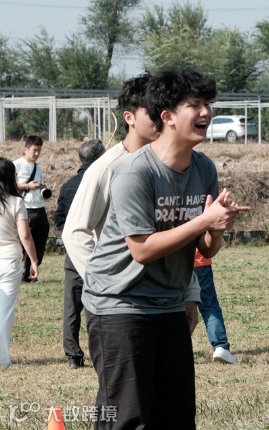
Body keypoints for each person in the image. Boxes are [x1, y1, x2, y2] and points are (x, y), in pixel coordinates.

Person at [81, 69, 249, 429]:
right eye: (195, 105)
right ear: (168, 116)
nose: (205, 112)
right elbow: (142, 250)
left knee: (175, 417)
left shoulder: (203, 168)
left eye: (208, 104)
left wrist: (216, 228)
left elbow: (205, 247)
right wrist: (204, 221)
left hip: (168, 304)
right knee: (128, 418)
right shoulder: (134, 172)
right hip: (119, 304)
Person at [62, 75, 202, 347]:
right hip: (122, 306)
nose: (160, 118)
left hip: (165, 302)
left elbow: (174, 234)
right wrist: (106, 285)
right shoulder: (108, 167)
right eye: (151, 112)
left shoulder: (170, 167)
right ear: (129, 118)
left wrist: (190, 292)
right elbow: (75, 232)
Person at [54, 138, 106, 369]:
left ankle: (73, 355)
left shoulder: (67, 186)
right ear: (100, 157)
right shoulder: (105, 182)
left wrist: (71, 236)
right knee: (101, 302)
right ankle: (101, 351)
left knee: (72, 305)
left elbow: (59, 219)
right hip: (103, 251)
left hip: (74, 251)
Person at [0, 158, 39, 368]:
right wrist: (34, 260)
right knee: (4, 313)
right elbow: (25, 235)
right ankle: (3, 360)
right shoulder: (16, 202)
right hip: (9, 260)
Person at [14, 135, 50, 282]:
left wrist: (42, 189)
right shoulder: (16, 165)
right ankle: (20, 273)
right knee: (24, 242)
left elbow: (39, 185)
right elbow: (9, 186)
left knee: (40, 241)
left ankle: (31, 274)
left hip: (40, 207)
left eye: (39, 150)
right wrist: (27, 186)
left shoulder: (38, 168)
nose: (37, 153)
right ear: (26, 149)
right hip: (25, 208)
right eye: (34, 150)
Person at [194, 248, 237, 364]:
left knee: (176, 307)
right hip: (200, 262)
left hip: (175, 263)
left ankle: (175, 347)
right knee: (209, 307)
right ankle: (220, 347)